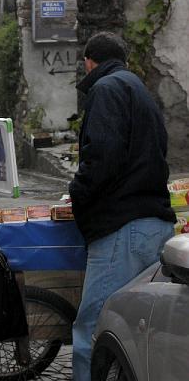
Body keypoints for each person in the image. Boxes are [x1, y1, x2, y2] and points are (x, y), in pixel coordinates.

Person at [69, 32, 176, 381]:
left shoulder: (106, 89)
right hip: (152, 223)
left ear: (89, 60)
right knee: (139, 329)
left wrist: (77, 192)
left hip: (121, 228)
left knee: (94, 326)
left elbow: (101, 157)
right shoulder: (139, 89)